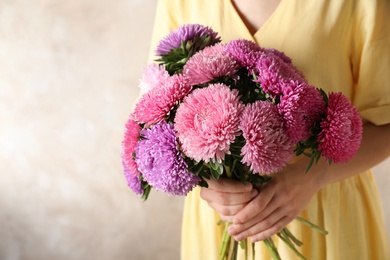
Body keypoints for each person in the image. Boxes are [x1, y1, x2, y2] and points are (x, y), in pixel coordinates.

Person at [148, 0, 390, 259]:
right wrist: (210, 184)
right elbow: (156, 113)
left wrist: (312, 176)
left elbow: (385, 120)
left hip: (326, 213)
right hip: (220, 220)